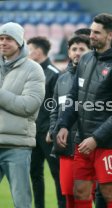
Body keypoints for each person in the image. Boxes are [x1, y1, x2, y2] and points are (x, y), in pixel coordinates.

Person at [56, 13, 112, 208]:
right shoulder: (86, 59)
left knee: (109, 192)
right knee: (80, 190)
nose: (92, 36)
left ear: (110, 35)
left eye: (97, 32)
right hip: (82, 140)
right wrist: (63, 125)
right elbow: (73, 97)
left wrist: (96, 138)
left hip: (107, 142)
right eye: (92, 31)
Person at [0, 22, 45, 208]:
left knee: (22, 202)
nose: (3, 42)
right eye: (1, 38)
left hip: (17, 146)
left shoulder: (34, 69)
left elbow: (29, 105)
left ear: (19, 42)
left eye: (8, 38)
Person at [49, 35, 91, 208]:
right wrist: (54, 130)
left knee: (86, 195)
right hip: (65, 147)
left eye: (82, 49)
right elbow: (54, 110)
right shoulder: (62, 79)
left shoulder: (96, 77)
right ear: (68, 52)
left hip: (87, 145)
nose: (77, 53)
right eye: (74, 49)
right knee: (68, 194)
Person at [27, 36, 65, 208]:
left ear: (38, 51)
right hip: (32, 132)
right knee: (34, 172)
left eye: (29, 50)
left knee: (57, 173)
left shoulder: (54, 73)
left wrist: (53, 128)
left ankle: (62, 205)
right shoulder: (30, 72)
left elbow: (58, 105)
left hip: (48, 133)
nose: (27, 54)